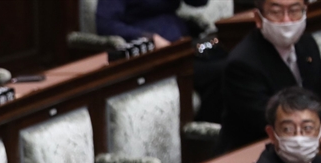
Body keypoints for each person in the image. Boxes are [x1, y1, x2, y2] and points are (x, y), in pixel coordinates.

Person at [219, 0, 321, 152]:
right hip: (255, 156)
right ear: (258, 18)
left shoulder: (306, 43)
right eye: (276, 12)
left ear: (305, 12)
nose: (286, 21)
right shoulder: (242, 63)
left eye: (294, 11)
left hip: (304, 147)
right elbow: (272, 117)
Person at [95, 0, 225, 123]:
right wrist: (147, 37)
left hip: (187, 46)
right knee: (220, 71)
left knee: (230, 56)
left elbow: (198, 3)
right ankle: (210, 137)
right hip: (155, 56)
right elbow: (105, 24)